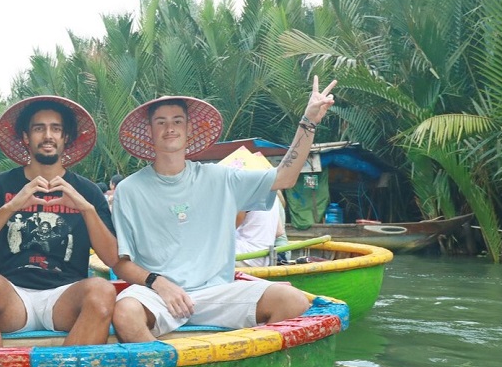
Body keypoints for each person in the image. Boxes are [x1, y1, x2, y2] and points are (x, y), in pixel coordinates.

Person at [111, 76, 337, 342]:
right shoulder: (128, 190)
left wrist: (308, 122)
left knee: (292, 301)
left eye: (177, 121)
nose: (169, 128)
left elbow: (283, 178)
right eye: (160, 122)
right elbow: (122, 263)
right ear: (149, 132)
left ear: (188, 130)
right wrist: (158, 283)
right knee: (125, 313)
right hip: (158, 293)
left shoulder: (221, 178)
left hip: (216, 293)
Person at [0, 95, 118, 347]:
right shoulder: (0, 185)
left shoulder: (86, 191)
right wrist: (11, 206)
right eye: (38, 128)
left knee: (103, 290)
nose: (48, 135)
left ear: (65, 138)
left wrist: (86, 209)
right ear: (26, 137)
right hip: (12, 297)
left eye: (56, 129)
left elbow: (112, 259)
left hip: (64, 297)